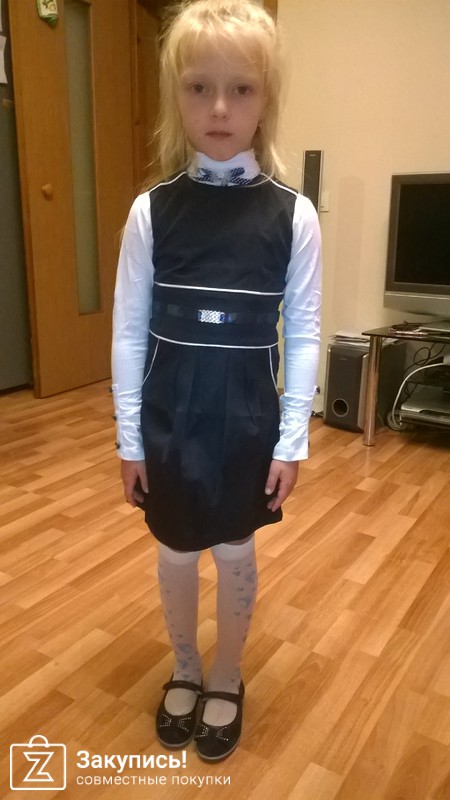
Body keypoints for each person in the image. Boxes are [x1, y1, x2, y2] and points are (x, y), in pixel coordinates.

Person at [111, 0, 321, 763]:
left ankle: (227, 673)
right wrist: (130, 439)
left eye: (241, 88)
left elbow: (304, 332)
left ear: (267, 97)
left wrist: (291, 441)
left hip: (245, 422)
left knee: (234, 549)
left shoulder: (294, 217)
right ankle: (185, 666)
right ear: (177, 95)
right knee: (174, 549)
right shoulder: (151, 212)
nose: (221, 108)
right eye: (200, 87)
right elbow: (128, 331)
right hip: (169, 418)